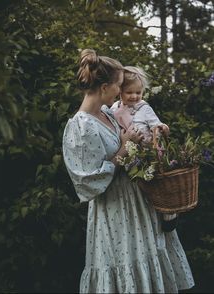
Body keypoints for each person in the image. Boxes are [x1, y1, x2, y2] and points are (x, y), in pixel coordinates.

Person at [62, 49, 194, 293]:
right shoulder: (80, 126)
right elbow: (86, 179)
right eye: (119, 86)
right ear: (104, 87)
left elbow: (130, 142)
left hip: (138, 202)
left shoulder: (107, 114)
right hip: (115, 211)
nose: (121, 92)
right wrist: (124, 148)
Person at [111, 66, 178, 232]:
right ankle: (141, 216)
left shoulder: (144, 108)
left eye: (138, 92)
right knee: (140, 188)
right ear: (120, 91)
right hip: (129, 154)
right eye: (129, 92)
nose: (134, 96)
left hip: (148, 152)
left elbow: (156, 124)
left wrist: (162, 128)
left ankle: (169, 214)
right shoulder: (114, 109)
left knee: (159, 182)